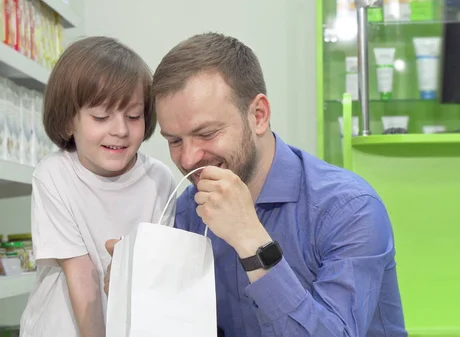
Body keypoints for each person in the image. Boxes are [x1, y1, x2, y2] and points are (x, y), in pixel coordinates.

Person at [104, 32, 407, 337]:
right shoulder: (189, 210)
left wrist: (251, 240)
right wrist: (136, 293)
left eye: (207, 133)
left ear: (259, 115)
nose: (188, 157)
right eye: (174, 140)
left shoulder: (350, 208)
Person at [19, 36, 177, 337]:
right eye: (101, 116)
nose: (119, 130)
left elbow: (158, 278)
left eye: (133, 116)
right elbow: (82, 275)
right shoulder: (54, 175)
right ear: (68, 122)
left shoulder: (159, 180)